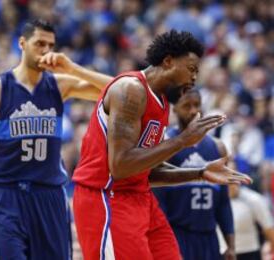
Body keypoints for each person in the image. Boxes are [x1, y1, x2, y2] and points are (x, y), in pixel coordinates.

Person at [0, 19, 113, 260]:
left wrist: (73, 69)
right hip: (8, 196)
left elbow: (120, 91)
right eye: (39, 43)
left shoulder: (59, 85)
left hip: (49, 194)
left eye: (50, 45)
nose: (45, 50)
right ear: (22, 44)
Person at [72, 30, 251, 260]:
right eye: (192, 69)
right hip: (106, 198)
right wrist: (183, 141)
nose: (195, 78)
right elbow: (120, 166)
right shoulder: (131, 90)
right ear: (168, 61)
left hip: (140, 197)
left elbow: (146, 171)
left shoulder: (163, 103)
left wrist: (201, 173)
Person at [153, 89, 235, 260]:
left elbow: (223, 203)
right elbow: (159, 204)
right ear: (174, 109)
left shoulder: (217, 147)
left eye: (197, 105)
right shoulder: (166, 145)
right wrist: (163, 245)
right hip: (178, 234)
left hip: (209, 237)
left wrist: (231, 246)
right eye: (186, 106)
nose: (192, 111)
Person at [229, 183, 274, 260]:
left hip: (249, 252)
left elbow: (269, 228)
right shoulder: (216, 198)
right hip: (222, 252)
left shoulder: (254, 199)